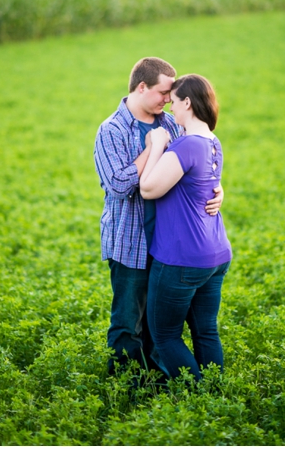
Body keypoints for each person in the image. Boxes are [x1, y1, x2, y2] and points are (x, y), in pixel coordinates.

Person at [94, 57, 222, 378]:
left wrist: (218, 190)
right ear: (142, 87)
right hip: (130, 244)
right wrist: (153, 150)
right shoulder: (111, 130)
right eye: (163, 92)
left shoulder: (168, 123)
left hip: (169, 248)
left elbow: (192, 164)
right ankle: (126, 387)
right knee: (127, 324)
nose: (168, 99)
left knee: (160, 325)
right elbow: (120, 184)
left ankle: (160, 385)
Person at [139, 74, 232, 381]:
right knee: (205, 330)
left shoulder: (186, 145)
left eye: (175, 102)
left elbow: (149, 189)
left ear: (188, 103)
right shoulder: (212, 142)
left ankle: (197, 397)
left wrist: (157, 145)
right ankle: (216, 399)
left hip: (181, 258)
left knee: (165, 335)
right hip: (215, 253)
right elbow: (204, 187)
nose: (170, 108)